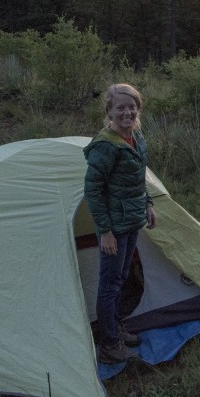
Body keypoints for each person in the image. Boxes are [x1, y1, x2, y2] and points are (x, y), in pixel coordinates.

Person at [83, 83, 157, 364]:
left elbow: (138, 180)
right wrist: (105, 232)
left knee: (122, 278)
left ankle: (114, 328)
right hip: (114, 226)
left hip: (132, 220)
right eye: (120, 107)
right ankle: (109, 344)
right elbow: (93, 191)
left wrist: (148, 204)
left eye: (131, 106)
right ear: (110, 112)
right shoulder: (106, 146)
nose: (127, 112)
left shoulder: (135, 138)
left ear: (138, 109)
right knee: (110, 284)